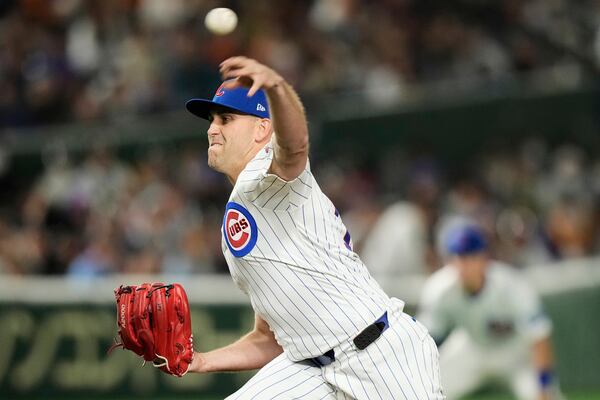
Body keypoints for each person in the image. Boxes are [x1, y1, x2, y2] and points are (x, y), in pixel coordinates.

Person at [184, 56, 445, 399]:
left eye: (227, 118)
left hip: (381, 354)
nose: (212, 128)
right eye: (213, 119)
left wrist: (276, 87)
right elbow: (268, 338)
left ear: (263, 128)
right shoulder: (239, 213)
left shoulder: (273, 174)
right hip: (311, 368)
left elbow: (295, 146)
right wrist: (201, 361)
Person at [418, 222, 562, 400]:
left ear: (483, 257)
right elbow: (426, 341)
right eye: (456, 256)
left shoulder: (511, 285)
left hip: (515, 354)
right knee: (423, 390)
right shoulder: (439, 289)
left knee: (545, 397)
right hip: (472, 348)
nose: (462, 264)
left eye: (469, 256)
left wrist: (544, 384)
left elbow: (539, 337)